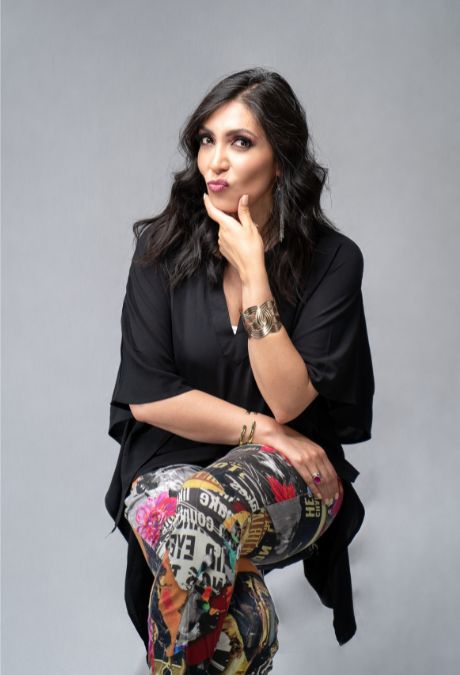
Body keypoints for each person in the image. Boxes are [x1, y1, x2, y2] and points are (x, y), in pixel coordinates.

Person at [105, 67, 374, 674]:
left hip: (294, 479)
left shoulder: (333, 261)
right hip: (166, 465)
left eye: (241, 142)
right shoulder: (159, 249)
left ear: (281, 160)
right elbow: (149, 397)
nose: (215, 161)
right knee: (236, 625)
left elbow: (288, 400)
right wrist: (264, 430)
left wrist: (255, 275)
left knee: (198, 516)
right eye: (206, 140)